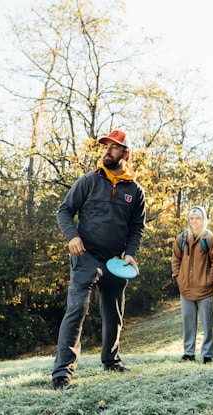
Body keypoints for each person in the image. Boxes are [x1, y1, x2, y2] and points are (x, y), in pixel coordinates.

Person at [51, 129, 146, 390]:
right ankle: (62, 373)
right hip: (86, 257)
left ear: (125, 154)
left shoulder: (135, 191)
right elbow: (64, 211)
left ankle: (111, 360)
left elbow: (137, 227)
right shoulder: (89, 181)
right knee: (76, 310)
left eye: (114, 148)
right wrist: (72, 236)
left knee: (114, 313)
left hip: (116, 261)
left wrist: (130, 254)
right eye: (105, 147)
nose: (107, 151)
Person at [171, 206, 213, 364]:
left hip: (205, 290)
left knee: (208, 325)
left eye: (197, 218)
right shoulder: (181, 239)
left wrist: (209, 282)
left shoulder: (210, 239)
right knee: (188, 324)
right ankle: (188, 353)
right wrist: (178, 278)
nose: (194, 221)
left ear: (203, 220)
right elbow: (175, 260)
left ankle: (207, 355)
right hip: (186, 289)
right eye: (191, 218)